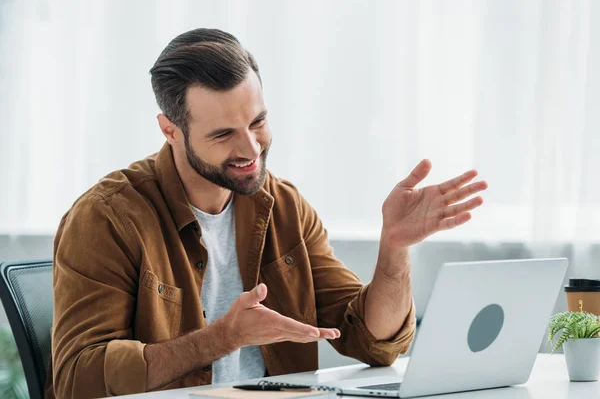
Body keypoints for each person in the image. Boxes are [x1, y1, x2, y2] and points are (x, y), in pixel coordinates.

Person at [47, 28, 487, 398]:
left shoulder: (282, 205)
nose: (251, 149)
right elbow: (76, 381)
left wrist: (394, 247)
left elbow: (372, 342)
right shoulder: (106, 218)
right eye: (223, 135)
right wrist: (223, 337)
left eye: (257, 122)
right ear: (170, 131)